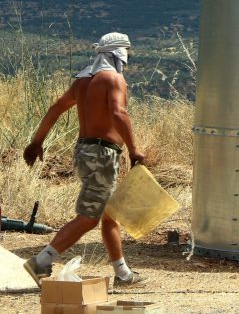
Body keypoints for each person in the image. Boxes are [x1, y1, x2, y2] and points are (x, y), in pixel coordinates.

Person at [22, 32, 147, 288]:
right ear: (118, 53)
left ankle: (123, 275)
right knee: (90, 217)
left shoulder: (82, 81)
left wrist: (37, 142)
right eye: (127, 53)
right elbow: (118, 113)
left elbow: (56, 107)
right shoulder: (114, 78)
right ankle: (41, 262)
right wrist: (135, 150)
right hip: (103, 154)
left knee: (109, 214)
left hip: (84, 151)